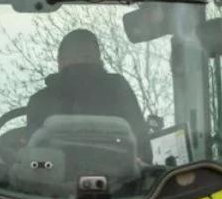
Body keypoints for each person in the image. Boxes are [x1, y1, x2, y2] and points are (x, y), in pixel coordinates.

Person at [26, 29, 150, 159]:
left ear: (60, 61)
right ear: (97, 59)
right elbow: (143, 151)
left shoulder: (40, 100)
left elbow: (33, 158)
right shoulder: (119, 89)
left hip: (54, 177)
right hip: (122, 179)